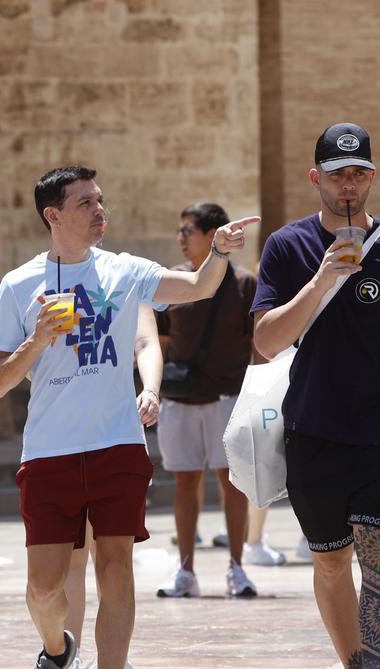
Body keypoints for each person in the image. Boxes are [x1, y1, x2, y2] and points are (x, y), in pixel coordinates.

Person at [0, 166, 253, 669]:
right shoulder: (18, 286)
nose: (99, 209)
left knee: (117, 572)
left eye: (99, 199)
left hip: (117, 447)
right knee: (43, 589)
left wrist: (217, 252)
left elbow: (197, 287)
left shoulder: (125, 271)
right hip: (49, 451)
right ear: (53, 214)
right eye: (85, 202)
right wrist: (37, 339)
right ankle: (58, 649)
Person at [251, 123, 380, 669]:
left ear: (371, 178)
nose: (348, 186)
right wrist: (320, 281)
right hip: (313, 432)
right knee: (332, 563)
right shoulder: (287, 247)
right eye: (338, 175)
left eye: (358, 174)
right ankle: (353, 666)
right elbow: (265, 343)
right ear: (316, 177)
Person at [155, 202, 268, 601]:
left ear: (212, 234)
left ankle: (236, 568)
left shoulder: (244, 285)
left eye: (188, 230)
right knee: (185, 481)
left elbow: (260, 342)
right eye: (181, 230)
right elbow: (160, 337)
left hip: (228, 398)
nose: (181, 238)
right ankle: (185, 569)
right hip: (180, 399)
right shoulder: (173, 281)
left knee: (230, 482)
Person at [62, 304, 163, 669]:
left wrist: (150, 389)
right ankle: (66, 657)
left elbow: (147, 341)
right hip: (64, 440)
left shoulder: (130, 284)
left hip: (118, 439)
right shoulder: (50, 287)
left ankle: (113, 660)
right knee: (73, 557)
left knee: (113, 560)